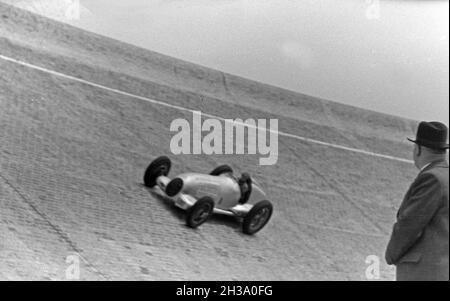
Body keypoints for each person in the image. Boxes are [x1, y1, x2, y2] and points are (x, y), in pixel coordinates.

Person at [385, 121, 449, 281]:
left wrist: (391, 255)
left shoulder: (432, 177)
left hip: (423, 272)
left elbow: (410, 222)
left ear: (418, 149)